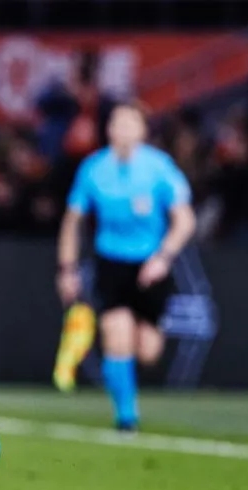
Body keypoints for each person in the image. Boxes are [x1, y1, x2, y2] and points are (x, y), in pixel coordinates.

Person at [54, 102, 196, 432]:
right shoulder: (93, 169)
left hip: (150, 266)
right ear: (109, 130)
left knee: (147, 350)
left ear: (143, 130)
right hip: (111, 264)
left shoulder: (160, 168)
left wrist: (163, 258)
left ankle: (123, 375)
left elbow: (185, 219)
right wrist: (67, 268)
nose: (123, 130)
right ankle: (126, 416)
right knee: (117, 335)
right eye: (117, 123)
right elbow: (72, 222)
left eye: (131, 123)